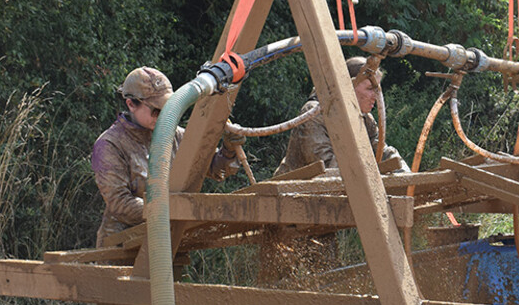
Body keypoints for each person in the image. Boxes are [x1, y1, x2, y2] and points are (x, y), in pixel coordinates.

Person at [92, 66, 242, 247]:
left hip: (168, 242)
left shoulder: (176, 135)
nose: (164, 116)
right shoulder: (110, 145)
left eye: (168, 108)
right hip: (122, 247)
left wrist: (229, 149)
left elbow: (213, 168)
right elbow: (120, 204)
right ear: (131, 104)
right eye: (156, 110)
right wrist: (173, 209)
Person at [274, 56, 408, 176]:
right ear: (348, 87)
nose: (376, 96)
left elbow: (382, 151)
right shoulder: (314, 113)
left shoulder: (366, 119)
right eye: (370, 89)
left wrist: (404, 174)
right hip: (288, 196)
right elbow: (324, 169)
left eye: (377, 89)